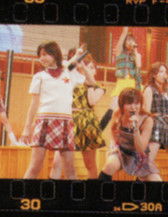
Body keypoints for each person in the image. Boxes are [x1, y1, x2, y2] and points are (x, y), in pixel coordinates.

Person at [21, 42, 94, 179]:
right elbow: (34, 104)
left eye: (45, 54)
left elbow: (91, 82)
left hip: (65, 123)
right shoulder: (39, 76)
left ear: (54, 54)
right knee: (35, 167)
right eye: (40, 55)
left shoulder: (69, 73)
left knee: (70, 170)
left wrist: (81, 65)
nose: (42, 58)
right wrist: (26, 128)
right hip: (43, 122)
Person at [50, 54, 105, 179]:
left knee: (89, 164)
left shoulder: (98, 86)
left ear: (95, 71)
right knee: (57, 163)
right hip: (68, 120)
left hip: (87, 124)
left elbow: (92, 101)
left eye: (92, 67)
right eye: (86, 66)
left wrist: (89, 82)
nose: (89, 69)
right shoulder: (73, 81)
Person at [98, 88, 161, 181]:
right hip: (121, 152)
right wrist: (114, 146)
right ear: (122, 105)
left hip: (139, 156)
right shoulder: (118, 114)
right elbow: (113, 129)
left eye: (136, 103)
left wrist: (135, 129)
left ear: (141, 104)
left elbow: (141, 149)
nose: (133, 107)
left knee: (156, 180)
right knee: (110, 165)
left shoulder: (147, 120)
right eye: (129, 103)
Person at [99, 27, 141, 130]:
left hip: (132, 85)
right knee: (112, 110)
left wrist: (136, 53)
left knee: (131, 113)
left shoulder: (136, 56)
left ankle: (130, 134)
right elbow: (122, 36)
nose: (130, 42)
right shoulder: (119, 53)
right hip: (121, 84)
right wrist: (125, 31)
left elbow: (138, 70)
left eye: (132, 40)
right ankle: (98, 130)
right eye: (128, 40)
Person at [142, 62, 168, 169]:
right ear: (154, 74)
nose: (164, 74)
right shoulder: (149, 89)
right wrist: (156, 115)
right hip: (156, 122)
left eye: (165, 72)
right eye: (161, 72)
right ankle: (146, 166)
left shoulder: (166, 91)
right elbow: (145, 112)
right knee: (158, 126)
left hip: (165, 122)